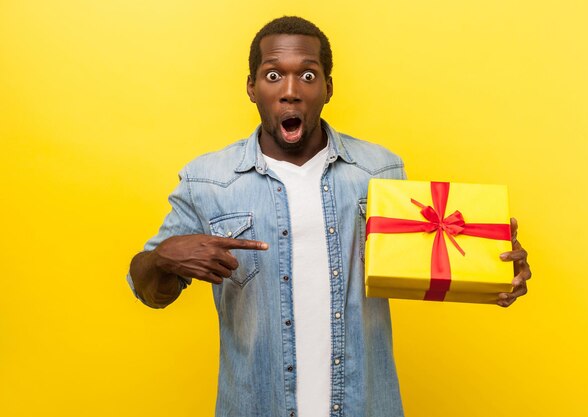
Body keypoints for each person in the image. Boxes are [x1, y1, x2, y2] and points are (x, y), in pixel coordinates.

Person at [127, 16, 531, 417]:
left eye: (307, 74)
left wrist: (493, 270)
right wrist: (162, 257)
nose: (290, 92)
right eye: (272, 76)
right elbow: (147, 290)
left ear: (328, 87)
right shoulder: (207, 180)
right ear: (251, 88)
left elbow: (431, 263)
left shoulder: (379, 172)